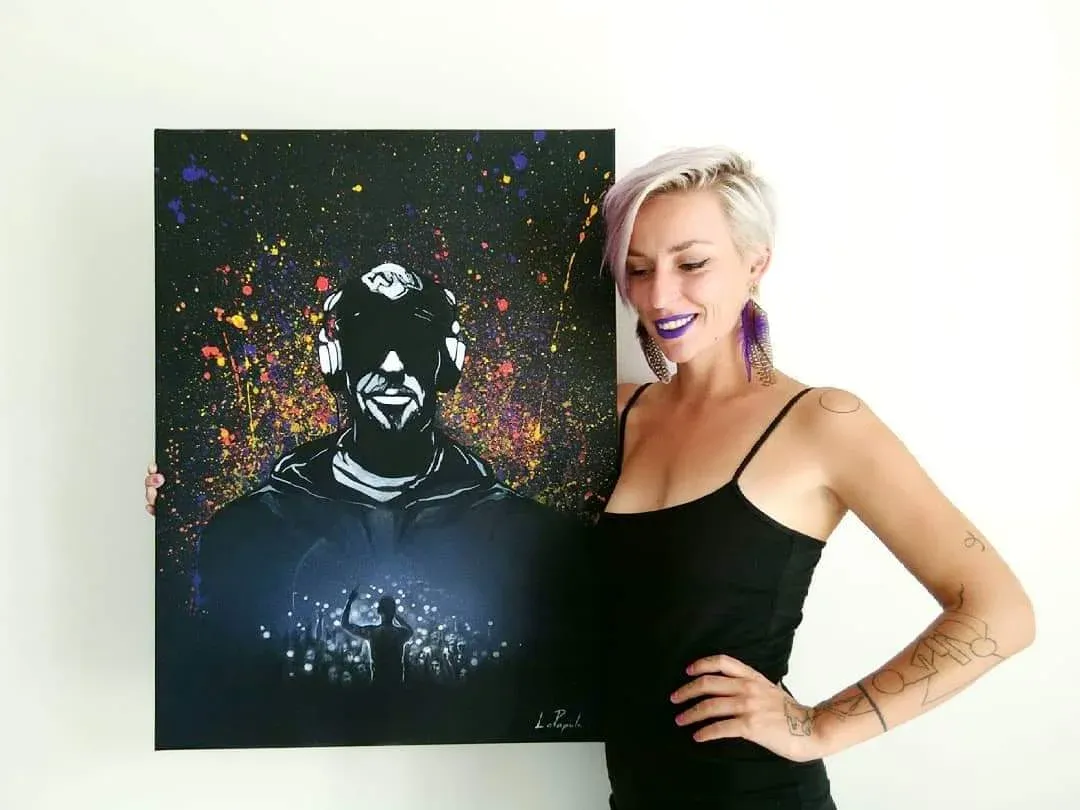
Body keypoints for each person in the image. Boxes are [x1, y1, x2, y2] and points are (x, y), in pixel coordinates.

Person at [147, 146, 1036, 805]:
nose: (660, 296)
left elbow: (999, 611)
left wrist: (820, 725)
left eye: (692, 263)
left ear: (756, 263)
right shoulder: (610, 415)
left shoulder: (822, 423)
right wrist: (189, 492)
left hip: (753, 799)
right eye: (638, 269)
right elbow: (419, 474)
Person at [153, 260, 594, 749]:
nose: (392, 366)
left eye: (413, 343)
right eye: (371, 342)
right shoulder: (247, 531)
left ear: (447, 360)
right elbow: (216, 700)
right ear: (335, 360)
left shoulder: (527, 536)